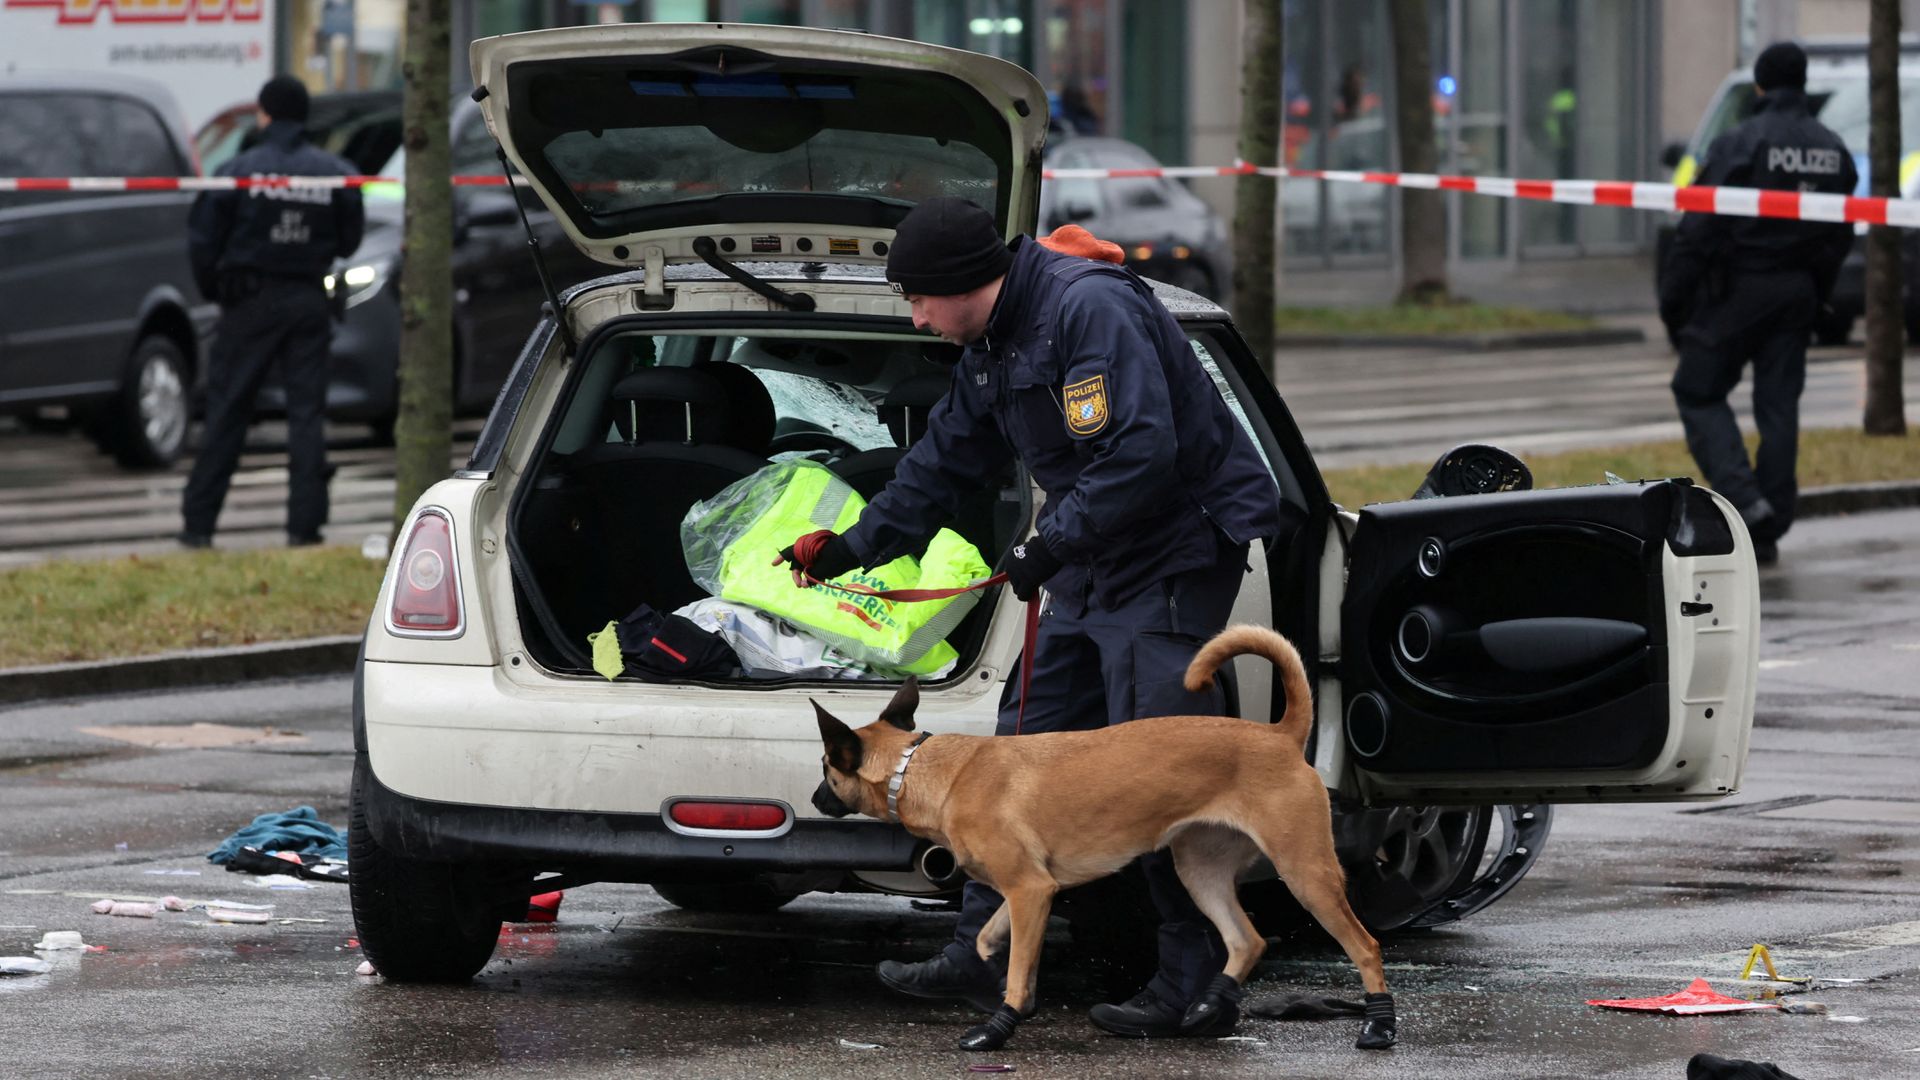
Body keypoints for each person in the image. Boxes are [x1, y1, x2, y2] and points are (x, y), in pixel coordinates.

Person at [776, 197, 1286, 1036]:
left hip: (1171, 550)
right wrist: (851, 547)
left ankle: (1190, 984)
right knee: (1020, 739)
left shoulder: (1089, 308)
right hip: (1092, 554)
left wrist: (1050, 543)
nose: (917, 318)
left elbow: (1140, 452)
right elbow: (944, 459)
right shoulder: (989, 343)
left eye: (919, 300)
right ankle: (977, 960)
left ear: (964, 284)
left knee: (1155, 760)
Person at [1660, 41, 1856, 565]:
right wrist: (1818, 294)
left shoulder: (1739, 141)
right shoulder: (1832, 149)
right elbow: (1841, 234)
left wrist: (1673, 300)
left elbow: (1698, 227)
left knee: (1696, 390)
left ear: (1762, 86)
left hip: (1738, 288)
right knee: (1778, 406)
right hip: (1798, 293)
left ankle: (1745, 502)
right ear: (1804, 82)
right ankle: (1770, 522)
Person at [179, 75, 363, 549]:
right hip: (308, 302)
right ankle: (305, 527)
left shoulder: (238, 170)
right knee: (306, 416)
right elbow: (349, 240)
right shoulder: (334, 171)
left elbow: (202, 242)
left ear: (264, 115)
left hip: (248, 303)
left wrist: (219, 291)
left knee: (227, 411)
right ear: (302, 118)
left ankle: (198, 526)